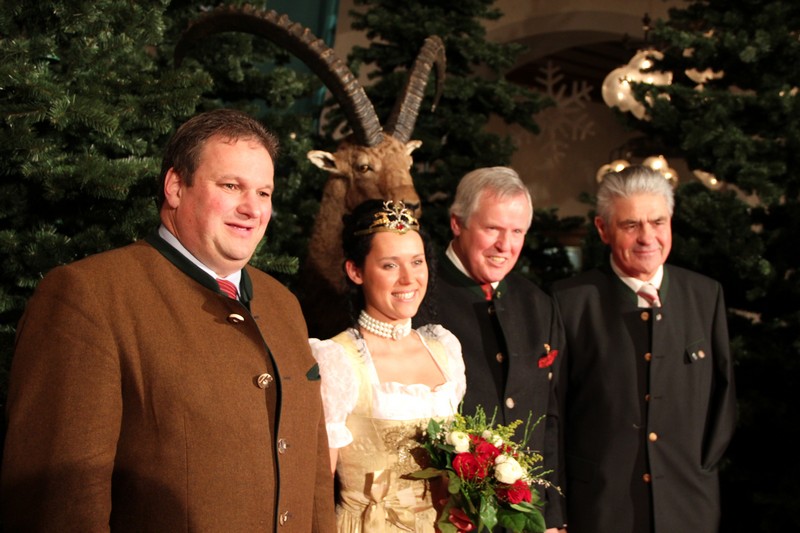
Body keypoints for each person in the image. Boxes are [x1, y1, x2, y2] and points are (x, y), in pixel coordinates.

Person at [0, 109, 336, 531]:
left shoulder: (283, 303)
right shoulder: (89, 295)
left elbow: (314, 475)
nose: (253, 208)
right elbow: (58, 502)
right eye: (231, 186)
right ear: (176, 187)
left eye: (264, 192)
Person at [552, 165, 737, 533]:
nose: (647, 237)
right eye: (631, 225)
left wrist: (702, 466)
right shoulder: (569, 302)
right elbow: (553, 412)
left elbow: (723, 395)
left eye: (657, 222)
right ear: (603, 229)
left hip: (689, 507)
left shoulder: (705, 294)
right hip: (601, 510)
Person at [413, 166, 566, 532]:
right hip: (443, 517)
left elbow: (550, 418)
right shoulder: (416, 295)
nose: (505, 245)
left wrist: (553, 518)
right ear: (457, 223)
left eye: (517, 232)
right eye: (493, 229)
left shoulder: (538, 303)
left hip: (527, 519)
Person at [310, 199, 465, 532]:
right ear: (356, 271)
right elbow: (318, 485)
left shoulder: (444, 350)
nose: (409, 279)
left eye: (417, 262)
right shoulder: (338, 360)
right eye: (390, 265)